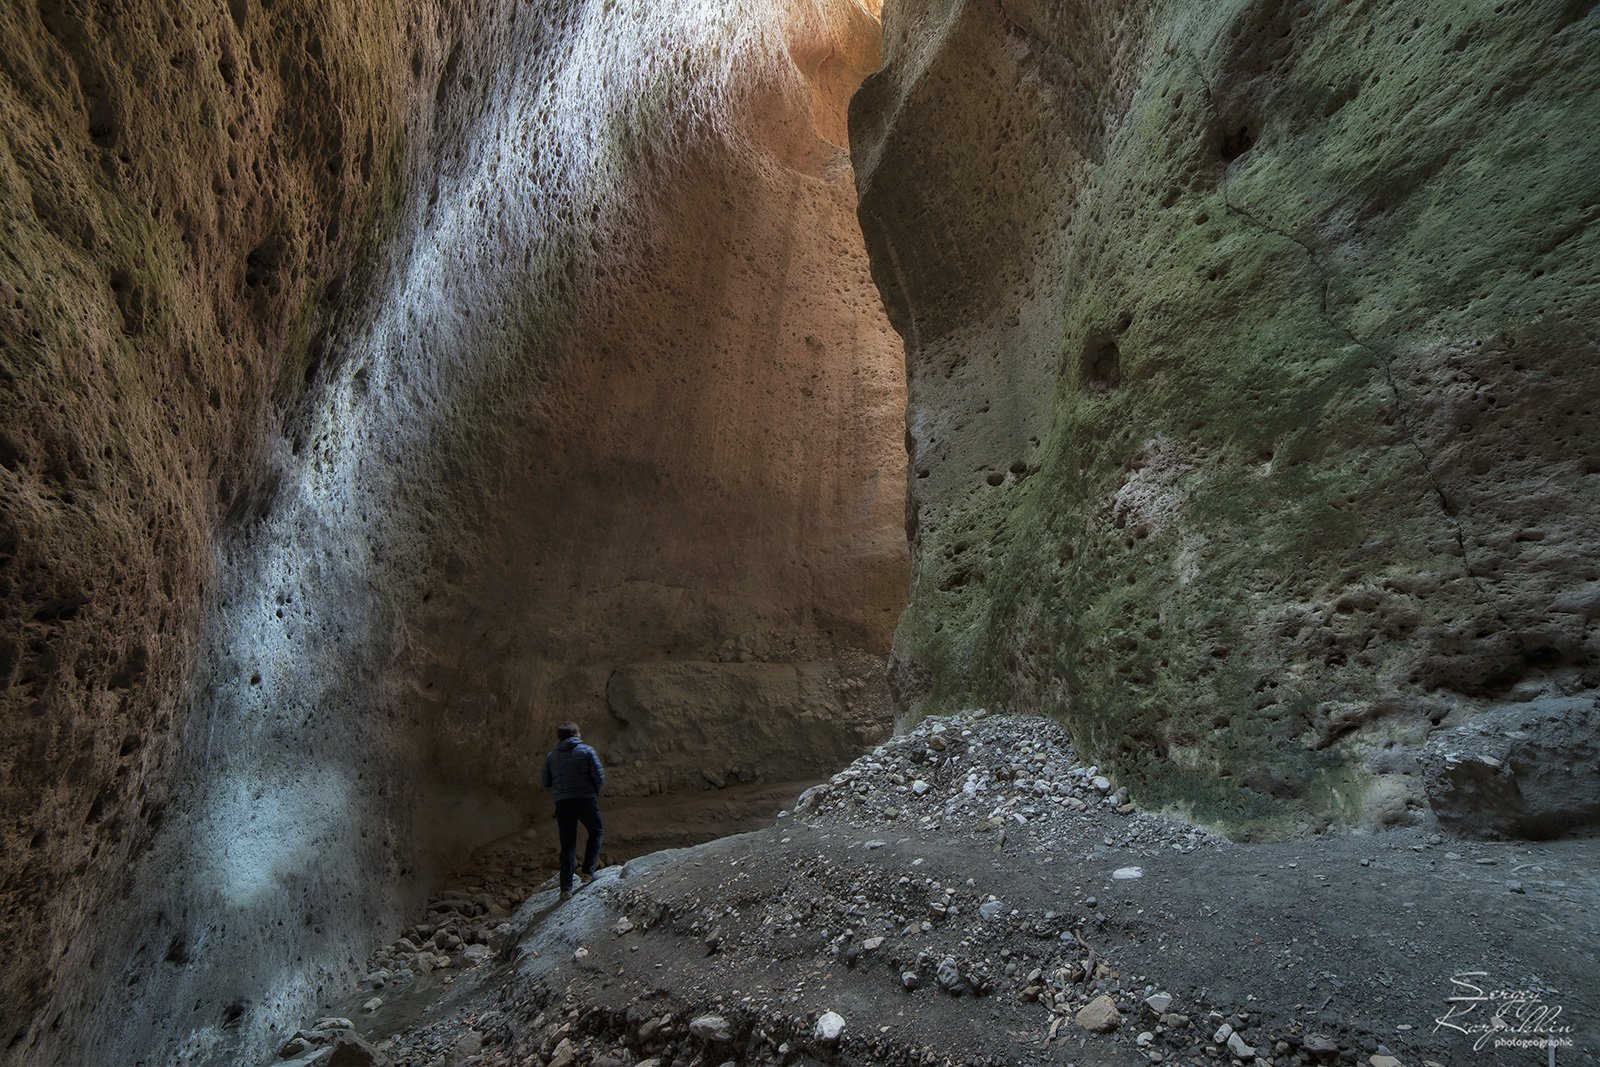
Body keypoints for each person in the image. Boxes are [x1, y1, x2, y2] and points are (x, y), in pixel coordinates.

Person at [539, 721, 605, 901]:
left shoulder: (552, 757)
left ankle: (565, 889)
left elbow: (545, 781)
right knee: (596, 831)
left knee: (567, 845)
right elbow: (598, 776)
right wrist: (594, 792)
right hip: (585, 799)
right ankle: (587, 872)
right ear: (577, 735)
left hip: (563, 804)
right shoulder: (587, 751)